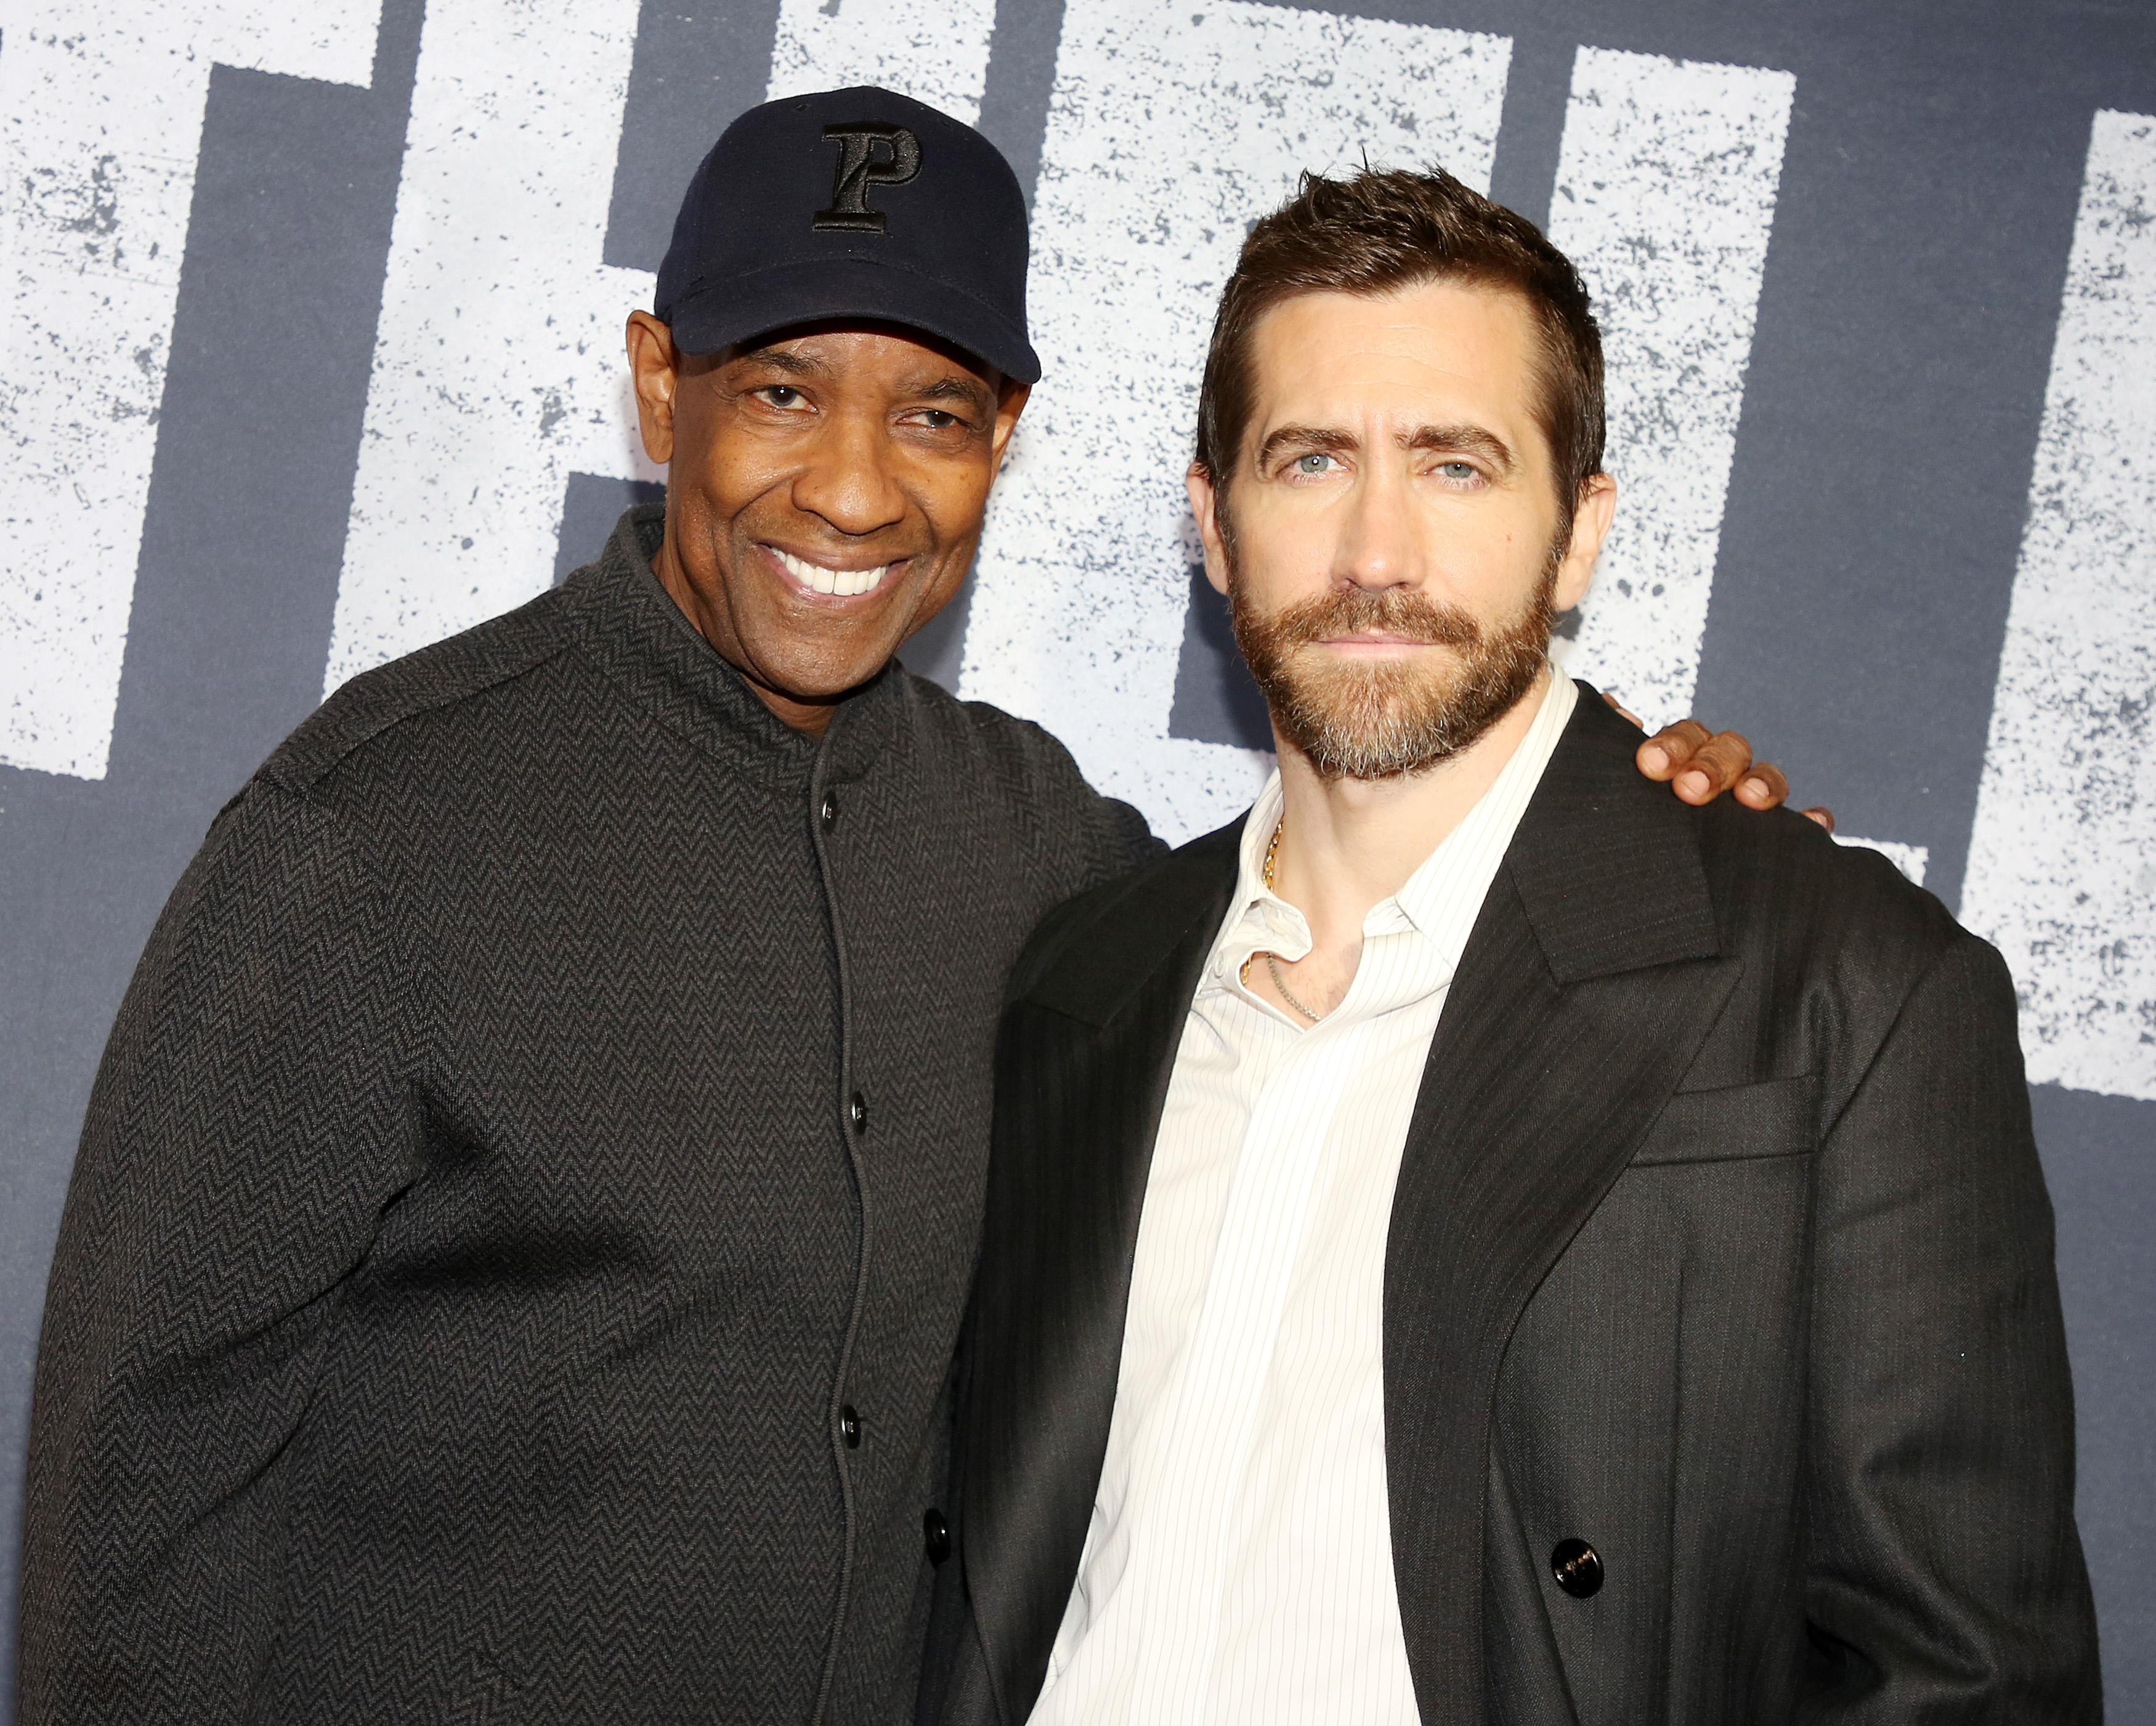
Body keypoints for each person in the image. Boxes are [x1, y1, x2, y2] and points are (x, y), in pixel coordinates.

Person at [20, 93, 1801, 1725]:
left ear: (1003, 439)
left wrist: (1630, 810)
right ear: (662, 389)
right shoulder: (371, 830)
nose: (857, 489)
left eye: (934, 413)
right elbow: (139, 1484)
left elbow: (1366, 944)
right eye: (783, 392)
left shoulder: (1046, 847)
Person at [922, 166, 2100, 1725]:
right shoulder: (1078, 976)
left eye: (1456, 467)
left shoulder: (1841, 991)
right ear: (1212, 524)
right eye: (1310, 459)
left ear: (1577, 535)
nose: (1375, 550)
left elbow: (1966, 1681)